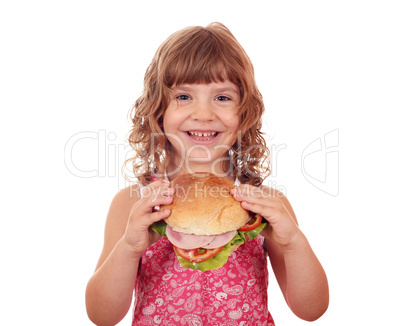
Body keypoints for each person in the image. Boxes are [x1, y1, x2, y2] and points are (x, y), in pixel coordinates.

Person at [85, 22, 329, 326]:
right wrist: (130, 246)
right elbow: (101, 316)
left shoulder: (264, 205)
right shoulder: (134, 203)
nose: (203, 113)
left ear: (245, 113)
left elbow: (311, 309)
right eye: (184, 97)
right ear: (158, 110)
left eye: (223, 98)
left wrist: (293, 240)